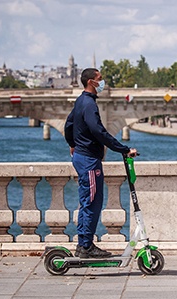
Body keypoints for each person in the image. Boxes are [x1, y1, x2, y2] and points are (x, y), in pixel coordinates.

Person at [64, 68, 137, 258]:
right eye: (100, 79)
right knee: (92, 202)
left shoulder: (81, 101)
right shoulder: (89, 104)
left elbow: (68, 124)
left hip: (82, 157)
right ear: (91, 82)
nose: (102, 82)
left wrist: (72, 144)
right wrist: (123, 148)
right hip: (89, 160)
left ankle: (83, 244)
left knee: (87, 201)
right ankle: (86, 246)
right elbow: (99, 131)